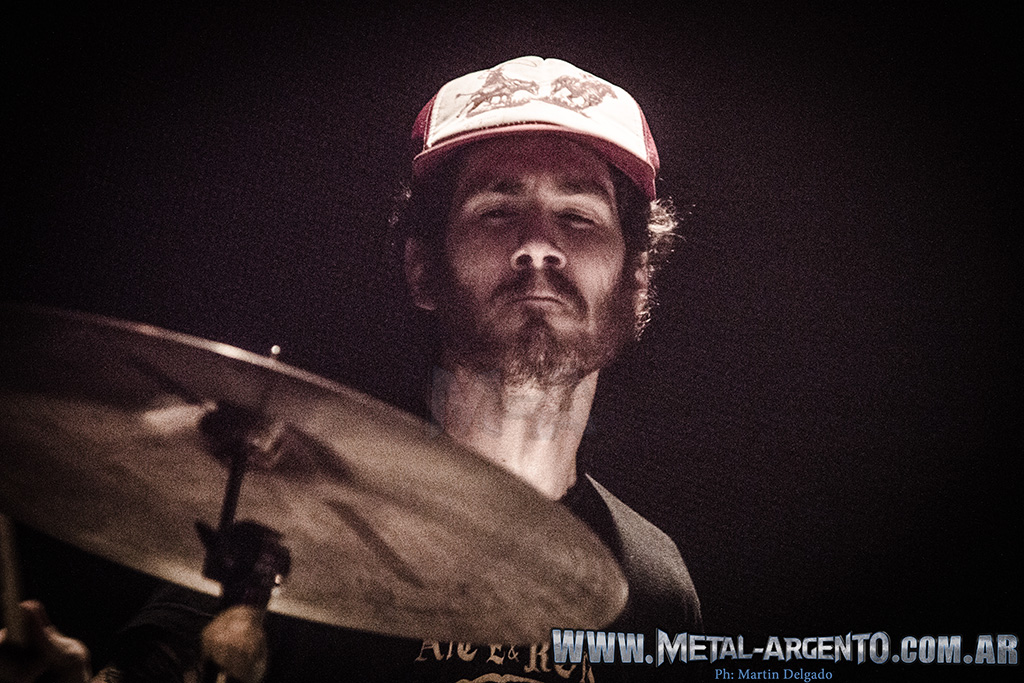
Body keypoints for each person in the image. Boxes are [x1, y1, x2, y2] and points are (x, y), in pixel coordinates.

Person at [0, 56, 702, 682]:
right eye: (497, 211)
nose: (538, 246)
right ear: (421, 268)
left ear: (637, 282)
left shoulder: (654, 587)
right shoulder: (290, 523)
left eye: (578, 216)